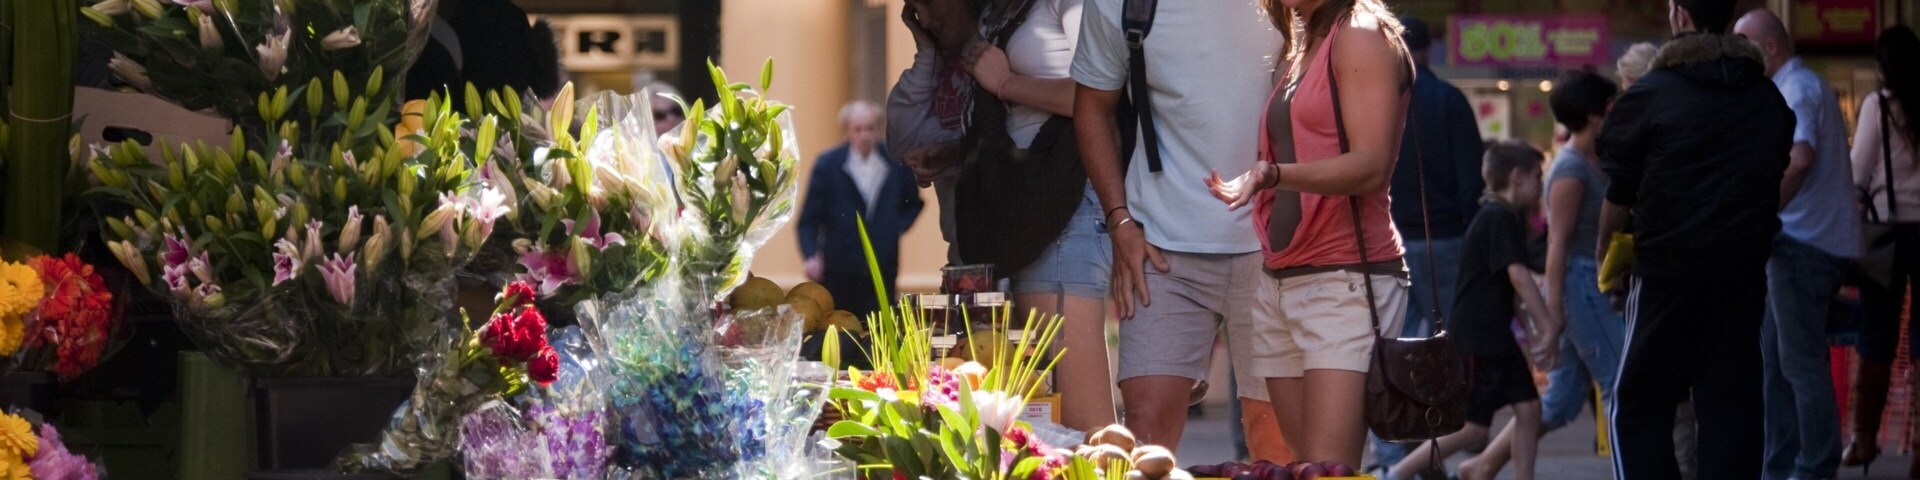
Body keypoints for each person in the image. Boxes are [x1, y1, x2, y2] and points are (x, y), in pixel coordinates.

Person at [1202, 0, 1412, 469]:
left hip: (1344, 280)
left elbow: (1371, 166)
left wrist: (1273, 174)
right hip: (1280, 281)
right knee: (1302, 467)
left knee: (1325, 469)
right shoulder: (1306, 39)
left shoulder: (1359, 33)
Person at [1072, 0, 1284, 453]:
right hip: (1161, 244)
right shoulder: (1121, 4)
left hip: (1273, 244)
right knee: (1145, 438)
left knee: (1275, 443)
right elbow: (1092, 108)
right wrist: (1119, 220)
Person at [1596, 0, 1795, 477]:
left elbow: (1619, 191)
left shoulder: (1652, 94)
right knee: (1733, 403)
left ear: (1679, 16)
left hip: (1665, 272)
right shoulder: (1767, 98)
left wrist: (1605, 250)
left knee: (1640, 400)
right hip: (1742, 275)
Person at [1454, 68, 1624, 480]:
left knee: (1557, 401)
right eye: (1611, 106)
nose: (1617, 112)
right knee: (1621, 384)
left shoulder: (1594, 160)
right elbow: (1557, 245)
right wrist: (1550, 318)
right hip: (1581, 289)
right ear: (1597, 115)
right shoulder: (1569, 171)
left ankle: (1483, 464)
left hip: (1585, 288)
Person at [956, 0, 1118, 432]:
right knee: (1051, 415)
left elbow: (1100, 92)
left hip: (1065, 209)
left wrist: (1006, 83)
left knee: (1082, 426)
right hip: (1037, 211)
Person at [1733, 10, 1862, 480]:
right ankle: (1780, 464)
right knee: (1778, 365)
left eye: (1744, 46)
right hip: (1797, 243)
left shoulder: (1797, 89)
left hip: (1803, 245)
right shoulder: (1795, 87)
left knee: (1799, 365)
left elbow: (1800, 157)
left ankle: (1812, 466)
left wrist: (1760, 211)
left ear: (1768, 47)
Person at [1387, 141, 1559, 480]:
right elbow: (1519, 276)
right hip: (1478, 339)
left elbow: (1506, 289)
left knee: (1529, 410)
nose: (1541, 186)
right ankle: (1397, 473)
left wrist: (1529, 329)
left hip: (1495, 337)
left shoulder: (1502, 216)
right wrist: (1548, 326)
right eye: (1538, 177)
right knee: (1473, 429)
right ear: (1517, 176)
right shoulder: (1497, 217)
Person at [1367, 14, 1485, 470]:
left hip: (1390, 239)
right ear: (1429, 49)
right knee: (1445, 347)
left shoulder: (1380, 101)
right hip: (1447, 241)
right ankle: (1433, 441)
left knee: (1397, 343)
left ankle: (1392, 446)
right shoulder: (1450, 101)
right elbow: (1469, 181)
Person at [1844, 24, 1920, 478]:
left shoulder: (1878, 106)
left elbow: (1858, 170)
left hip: (1886, 237)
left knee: (1877, 337)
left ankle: (1864, 439)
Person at [797, 101, 925, 319]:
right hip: (839, 267)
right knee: (840, 325)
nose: (865, 135)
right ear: (847, 131)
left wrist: (892, 228)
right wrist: (810, 255)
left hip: (882, 265)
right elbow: (809, 219)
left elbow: (913, 202)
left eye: (870, 128)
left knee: (879, 329)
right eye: (858, 129)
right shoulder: (829, 165)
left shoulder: (895, 163)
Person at [887, 0, 979, 265]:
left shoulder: (1005, 49)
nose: (924, 20)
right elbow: (902, 145)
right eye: (915, 9)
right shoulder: (940, 62)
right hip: (963, 254)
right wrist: (926, 53)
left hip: (1019, 254)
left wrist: (957, 152)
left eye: (928, 2)